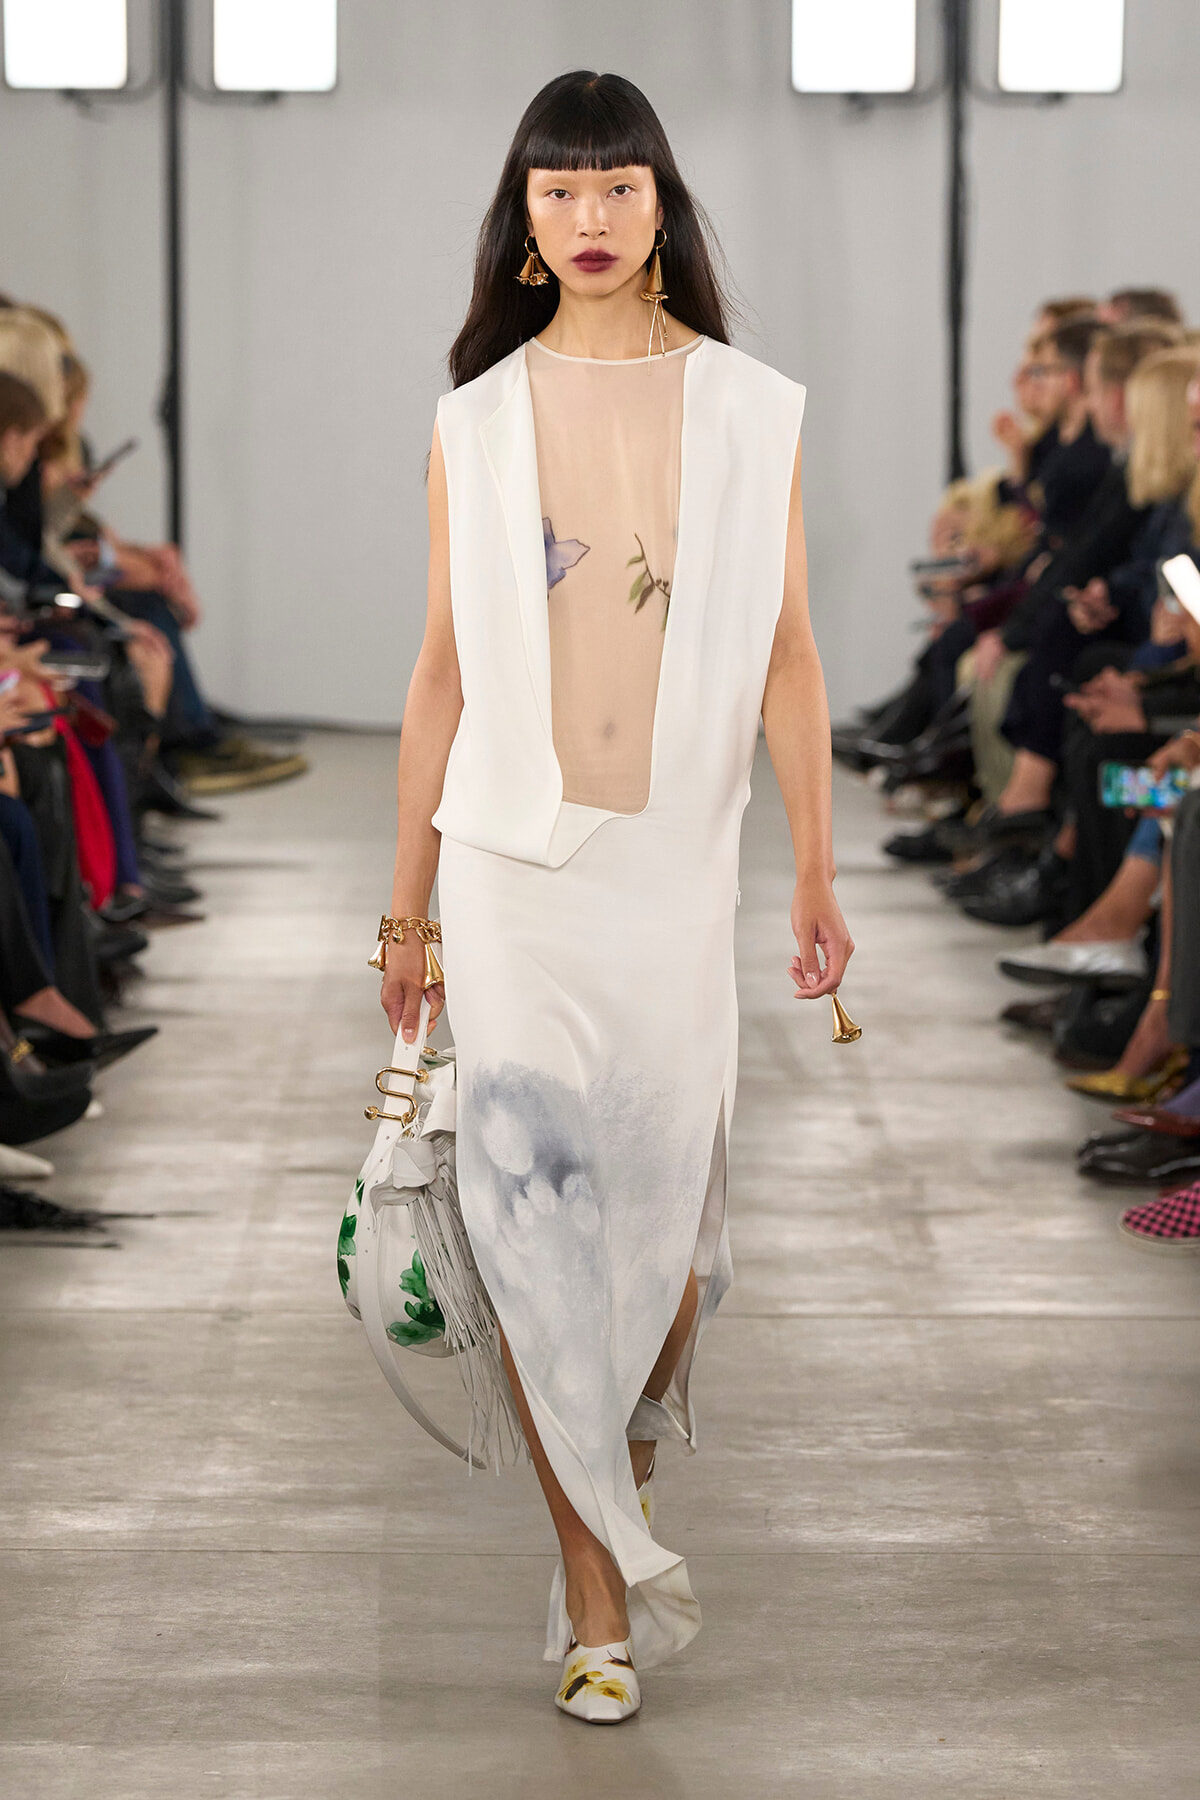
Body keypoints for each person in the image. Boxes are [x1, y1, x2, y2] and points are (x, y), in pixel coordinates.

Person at [375, 69, 853, 1724]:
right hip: (513, 869)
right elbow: (437, 680)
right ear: (524, 218)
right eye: (559, 191)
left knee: (657, 1234)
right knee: (527, 1229)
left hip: (670, 878)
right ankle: (596, 1597)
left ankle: (610, 1500)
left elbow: (791, 657)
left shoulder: (751, 408)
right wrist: (407, 909)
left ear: (664, 209)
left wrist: (815, 860)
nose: (588, 218)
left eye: (619, 188)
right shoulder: (475, 416)